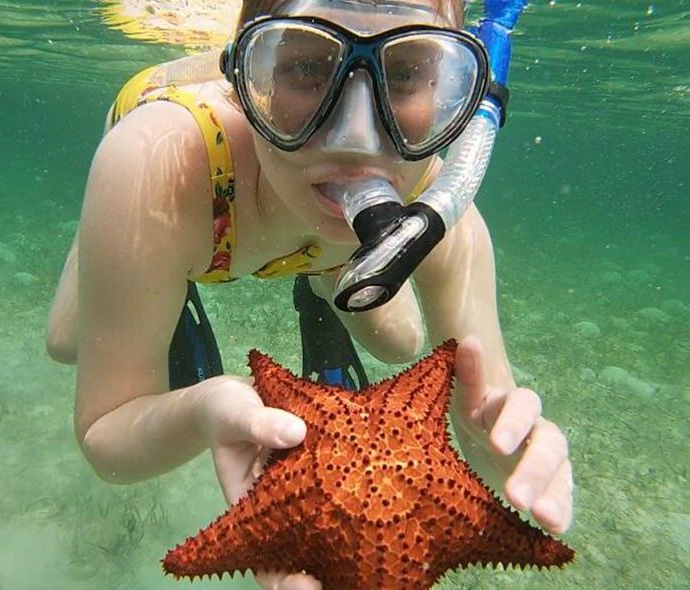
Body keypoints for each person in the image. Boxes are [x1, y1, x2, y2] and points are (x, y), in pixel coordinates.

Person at [46, 1, 573, 588]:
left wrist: (489, 446)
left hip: (283, 204)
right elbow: (104, 434)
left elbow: (483, 408)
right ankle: (125, 256)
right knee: (67, 341)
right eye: (304, 67)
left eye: (403, 74)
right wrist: (202, 408)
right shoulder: (155, 164)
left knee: (401, 343)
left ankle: (325, 279)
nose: (356, 140)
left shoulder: (439, 197)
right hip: (177, 187)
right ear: (245, 80)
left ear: (453, 92)